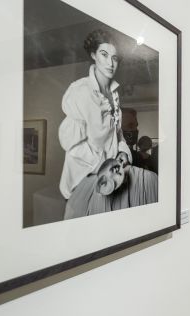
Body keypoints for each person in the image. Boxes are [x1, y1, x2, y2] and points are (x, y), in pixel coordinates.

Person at [58, 29, 131, 200]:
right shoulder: (81, 91)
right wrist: (104, 165)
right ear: (93, 55)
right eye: (104, 54)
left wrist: (123, 152)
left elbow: (117, 134)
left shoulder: (114, 94)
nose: (110, 63)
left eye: (114, 58)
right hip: (81, 185)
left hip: (109, 182)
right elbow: (71, 144)